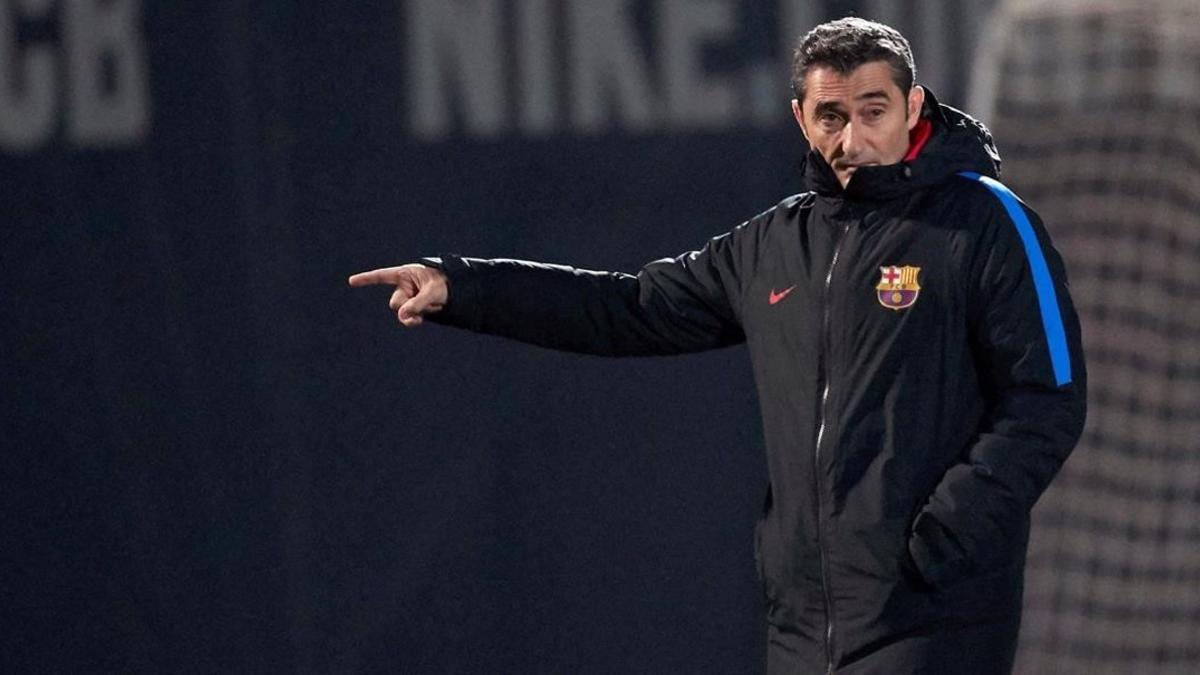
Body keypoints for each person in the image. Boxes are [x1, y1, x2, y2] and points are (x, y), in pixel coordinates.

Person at [349, 17, 1086, 675]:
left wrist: (945, 536)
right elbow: (628, 307)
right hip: (803, 625)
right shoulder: (773, 244)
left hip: (933, 613)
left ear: (913, 109)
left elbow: (1047, 397)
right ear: (802, 118)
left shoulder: (987, 222)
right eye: (831, 115)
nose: (853, 139)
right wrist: (464, 287)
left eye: (873, 111)